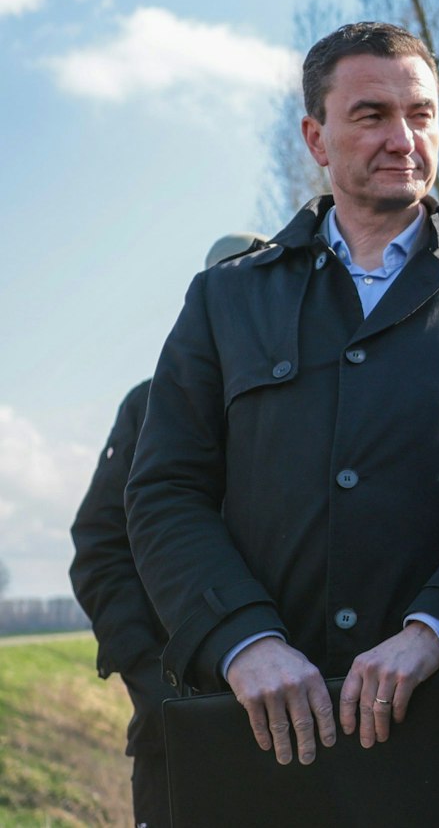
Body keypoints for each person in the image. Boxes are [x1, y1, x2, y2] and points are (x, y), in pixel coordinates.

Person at [125, 22, 439, 825]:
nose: (403, 137)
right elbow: (164, 492)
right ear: (315, 137)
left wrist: (438, 626)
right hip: (254, 732)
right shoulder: (225, 299)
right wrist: (243, 639)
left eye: (421, 114)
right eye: (371, 114)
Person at [69, 231, 266, 828]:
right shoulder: (150, 404)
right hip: (178, 734)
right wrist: (157, 679)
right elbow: (100, 550)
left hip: (302, 721)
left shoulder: (320, 399)